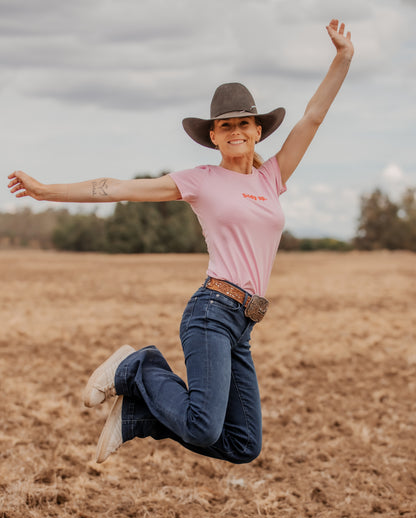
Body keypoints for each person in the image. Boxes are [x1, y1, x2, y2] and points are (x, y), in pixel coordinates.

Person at [8, 20, 354, 464]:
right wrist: (46, 191)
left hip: (243, 324)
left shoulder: (273, 177)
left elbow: (313, 117)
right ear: (213, 135)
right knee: (203, 425)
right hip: (211, 312)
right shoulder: (201, 180)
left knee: (242, 444)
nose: (235, 130)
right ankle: (137, 366)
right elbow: (117, 188)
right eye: (225, 125)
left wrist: (342, 59)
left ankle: (137, 417)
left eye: (243, 123)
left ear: (256, 131)